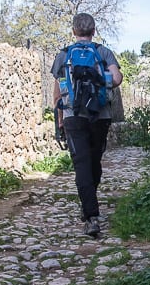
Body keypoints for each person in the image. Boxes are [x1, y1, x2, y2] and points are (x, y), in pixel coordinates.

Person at [51, 13, 123, 237]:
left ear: (74, 31)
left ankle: (90, 215)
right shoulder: (103, 52)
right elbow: (118, 79)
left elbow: (57, 90)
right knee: (94, 162)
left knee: (81, 164)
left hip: (74, 115)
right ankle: (90, 207)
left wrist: (61, 120)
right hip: (100, 115)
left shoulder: (64, 55)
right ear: (93, 31)